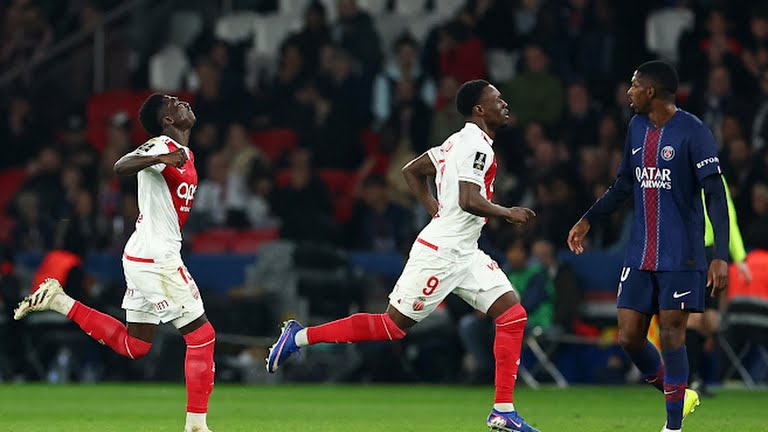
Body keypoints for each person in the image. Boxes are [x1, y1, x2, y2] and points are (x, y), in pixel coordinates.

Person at [266, 80, 540, 432]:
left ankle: (503, 410)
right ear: (479, 110)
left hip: (465, 252)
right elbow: (469, 199)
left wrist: (436, 211)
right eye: (497, 99)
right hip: (440, 255)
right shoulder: (476, 146)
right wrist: (508, 212)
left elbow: (412, 170)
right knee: (391, 326)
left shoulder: (457, 141)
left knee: (513, 315)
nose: (505, 104)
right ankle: (299, 336)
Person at [13, 94, 216, 432]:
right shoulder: (160, 145)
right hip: (155, 256)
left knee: (134, 345)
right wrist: (164, 157)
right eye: (173, 103)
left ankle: (59, 301)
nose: (182, 103)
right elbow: (120, 166)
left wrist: (171, 159)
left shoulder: (185, 153)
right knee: (203, 337)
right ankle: (196, 426)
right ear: (167, 120)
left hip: (143, 254)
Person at [567, 61, 730, 432]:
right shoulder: (637, 126)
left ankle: (673, 426)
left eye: (635, 85)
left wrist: (718, 255)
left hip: (682, 254)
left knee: (672, 332)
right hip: (641, 252)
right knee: (629, 336)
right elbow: (624, 182)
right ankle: (679, 393)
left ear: (651, 91)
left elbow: (716, 196)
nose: (629, 91)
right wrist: (589, 218)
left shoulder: (694, 131)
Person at [686, 174, 750, 396]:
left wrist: (740, 258)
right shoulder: (683, 169)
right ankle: (690, 379)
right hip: (690, 251)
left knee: (708, 320)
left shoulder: (714, 175)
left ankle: (693, 377)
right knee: (695, 317)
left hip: (708, 252)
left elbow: (727, 215)